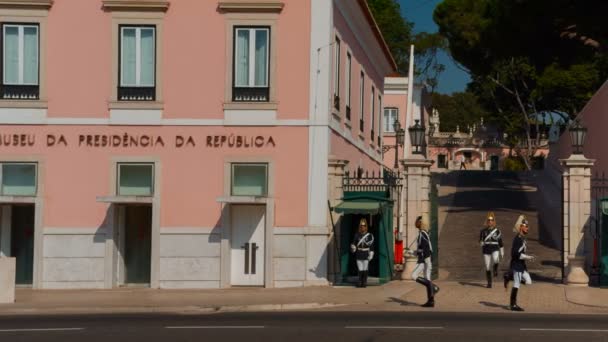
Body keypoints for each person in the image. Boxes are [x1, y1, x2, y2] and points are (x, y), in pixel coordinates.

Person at [504, 215, 534, 311]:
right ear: (521, 227)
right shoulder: (517, 238)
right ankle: (512, 305)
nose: (527, 228)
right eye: (525, 226)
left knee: (529, 281)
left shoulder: (522, 238)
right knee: (517, 284)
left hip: (522, 265)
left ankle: (509, 277)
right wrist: (528, 257)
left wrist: (526, 258)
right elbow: (515, 253)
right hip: (516, 264)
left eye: (527, 226)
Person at [409, 215, 440, 307]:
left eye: (418, 221)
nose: (416, 222)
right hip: (426, 258)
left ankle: (434, 287)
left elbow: (426, 248)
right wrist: (411, 252)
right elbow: (421, 249)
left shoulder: (422, 234)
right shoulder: (423, 233)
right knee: (427, 278)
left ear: (421, 223)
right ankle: (431, 301)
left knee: (413, 276)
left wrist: (426, 260)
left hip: (424, 260)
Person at [479, 211, 504, 288]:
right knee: (487, 266)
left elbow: (500, 241)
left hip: (495, 248)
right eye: (489, 220)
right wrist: (481, 243)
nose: (490, 222)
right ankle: (489, 283)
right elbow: (480, 240)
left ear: (494, 222)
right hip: (486, 249)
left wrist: (502, 251)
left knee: (496, 260)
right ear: (487, 222)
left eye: (491, 220)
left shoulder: (497, 231)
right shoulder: (483, 231)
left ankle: (495, 269)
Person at [350, 218, 374, 288]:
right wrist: (353, 247)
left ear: (366, 227)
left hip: (366, 253)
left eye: (364, 226)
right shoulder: (357, 235)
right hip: (359, 253)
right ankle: (360, 281)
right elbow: (354, 243)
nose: (362, 227)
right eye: (361, 226)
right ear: (359, 227)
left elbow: (371, 245)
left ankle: (364, 282)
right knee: (360, 268)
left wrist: (371, 253)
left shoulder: (369, 235)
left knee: (365, 268)